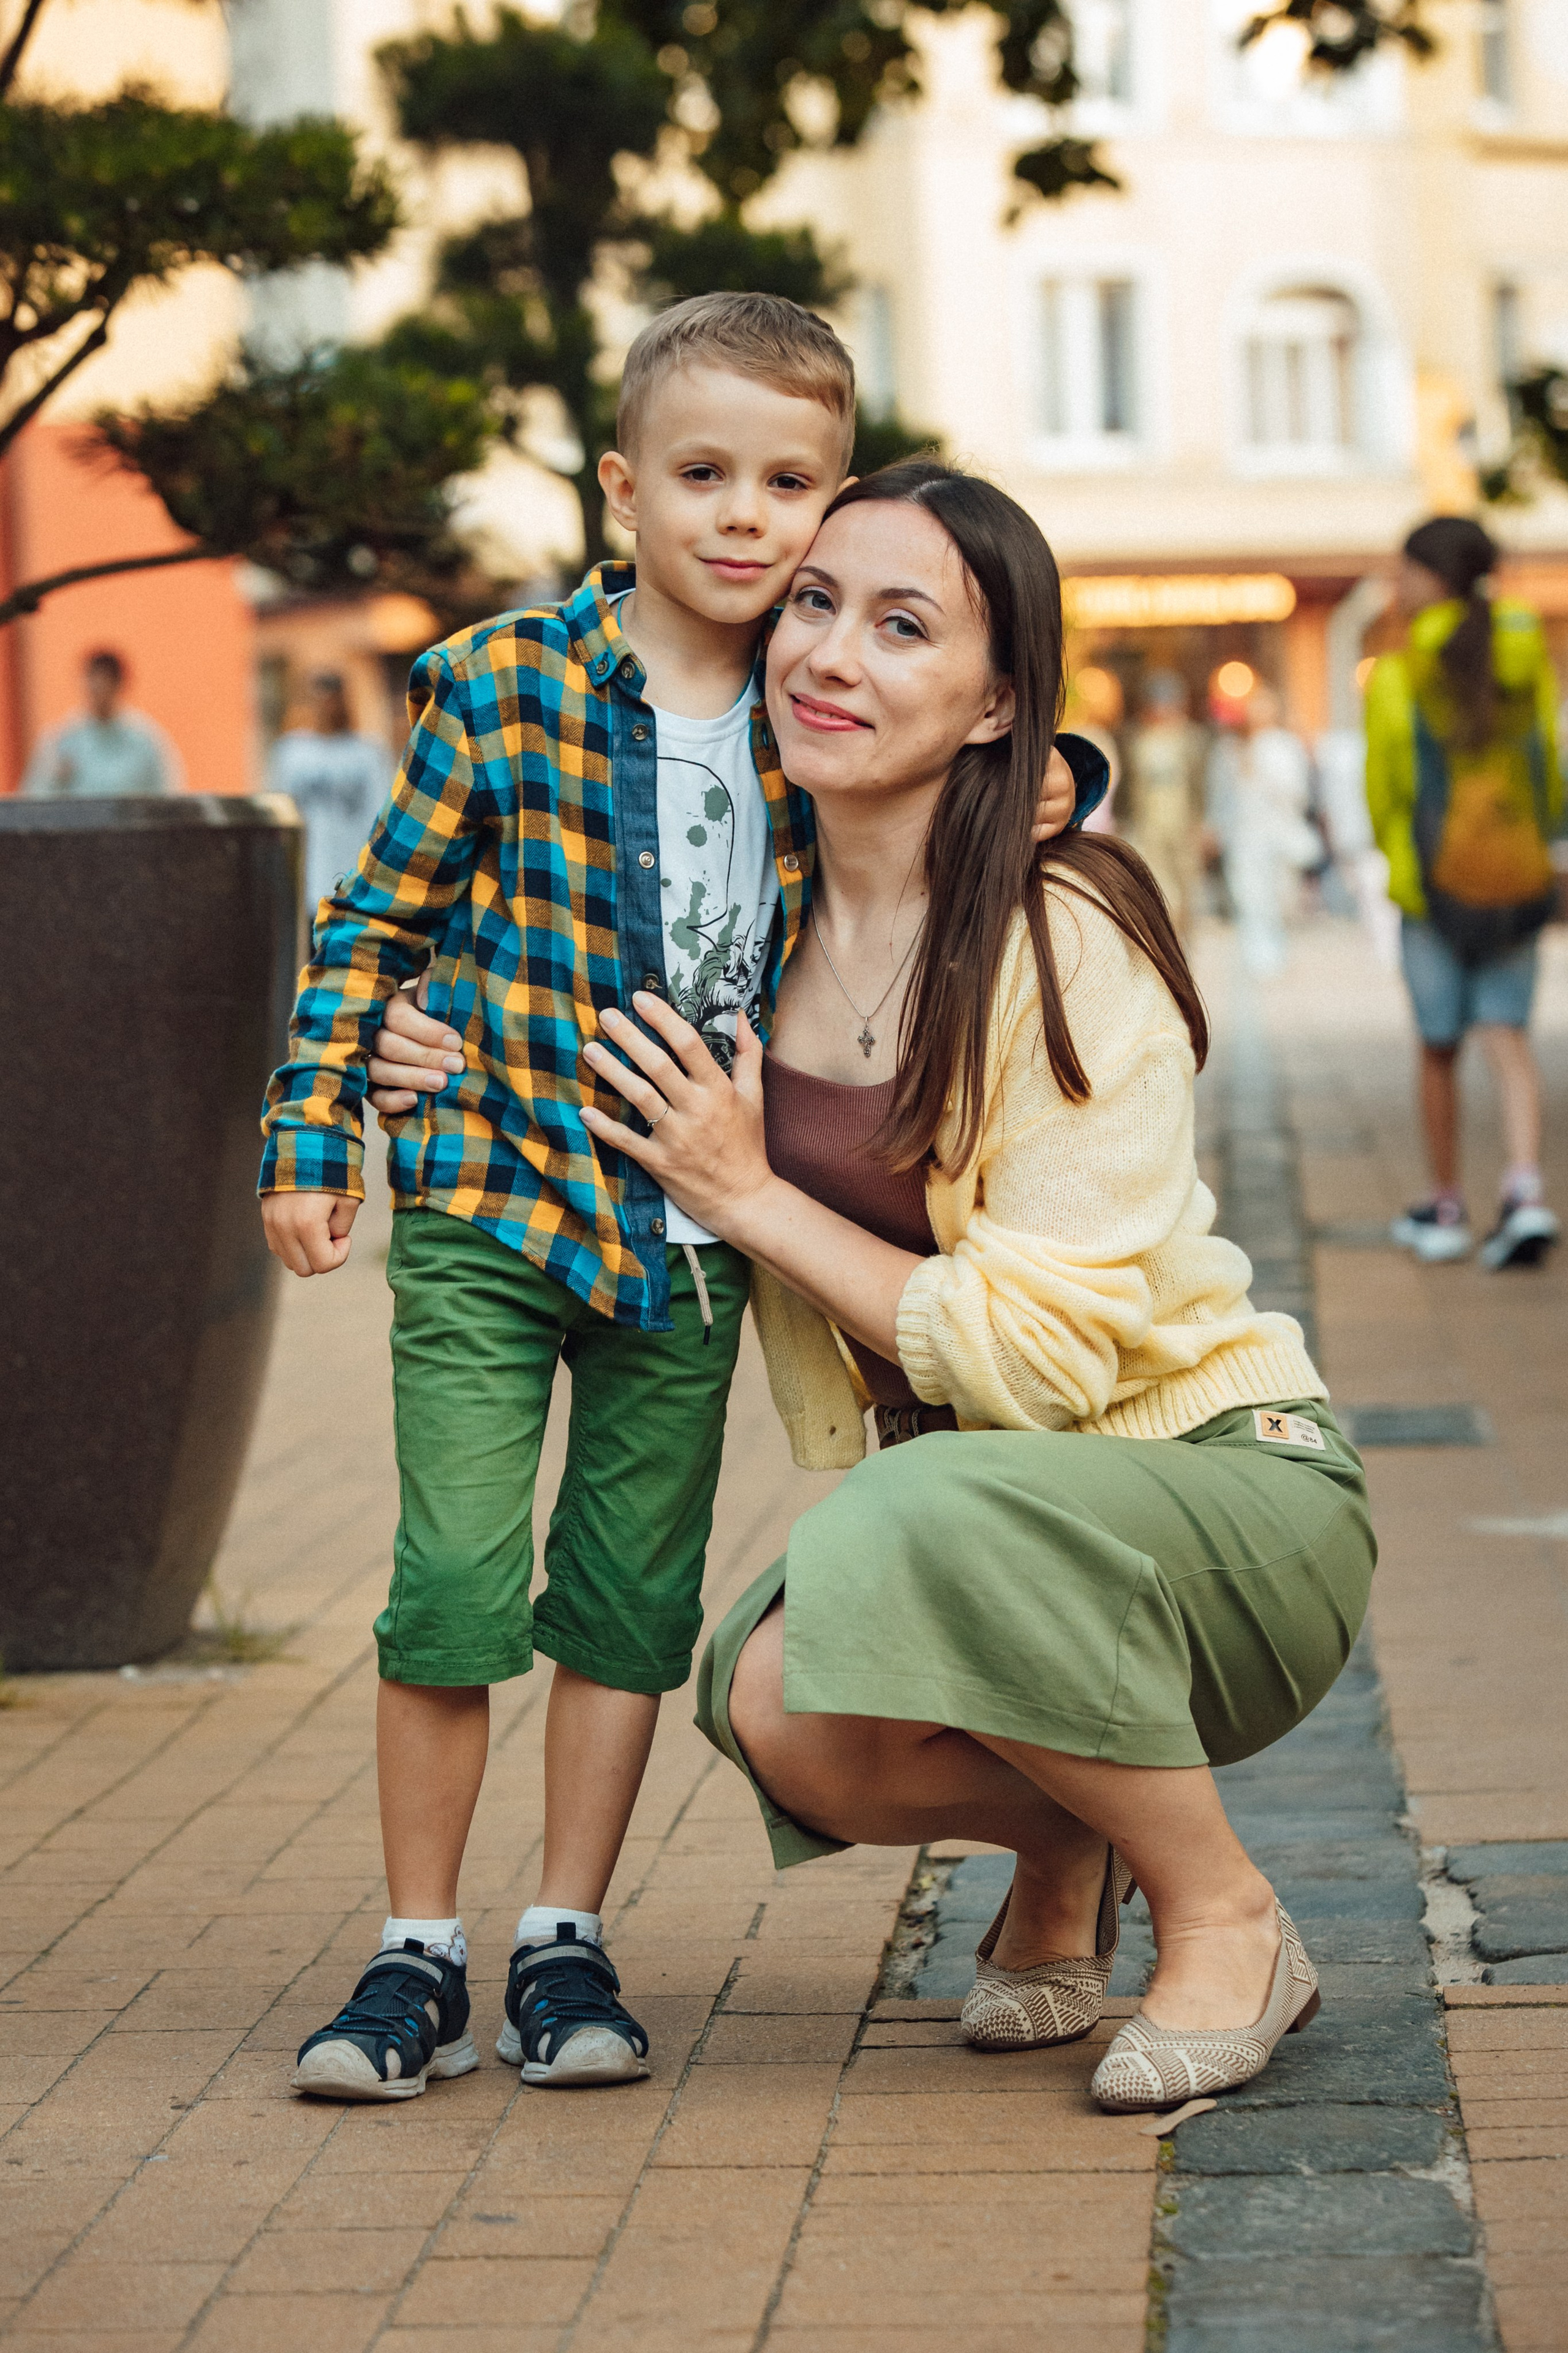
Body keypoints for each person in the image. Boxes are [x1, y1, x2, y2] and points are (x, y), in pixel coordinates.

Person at [257, 296, 1084, 2107]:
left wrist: (1059, 773)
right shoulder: (500, 683)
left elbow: (985, 758)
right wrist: (319, 1128)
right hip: (490, 1203)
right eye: (701, 473)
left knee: (627, 1598)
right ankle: (416, 1950)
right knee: (452, 1580)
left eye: (787, 484)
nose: (742, 515)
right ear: (622, 487)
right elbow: (375, 920)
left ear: (830, 504)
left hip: (694, 1245)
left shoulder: (815, 707)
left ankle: (564, 1934)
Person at [567, 460, 1376, 2115]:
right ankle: (1071, 1828)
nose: (829, 654)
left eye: (902, 625)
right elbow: (535, 974)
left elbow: (1044, 1358)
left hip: (1226, 1496)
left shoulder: (1061, 932)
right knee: (775, 1701)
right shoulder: (754, 924)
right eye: (813, 603)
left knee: (899, 1514)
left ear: (1000, 702)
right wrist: (419, 1049)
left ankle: (1224, 1912)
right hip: (983, 1528)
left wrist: (749, 1194)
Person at [1367, 516, 1562, 1271]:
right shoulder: (1526, 652)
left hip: (1432, 894)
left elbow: (1386, 791)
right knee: (1507, 1037)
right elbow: (1548, 768)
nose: (1396, 586)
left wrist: (1402, 867)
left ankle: (1445, 1206)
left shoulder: (1397, 673)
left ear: (1434, 579)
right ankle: (1523, 1191)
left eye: (1404, 572)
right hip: (1515, 876)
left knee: (1438, 1047)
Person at [1204, 683, 1317, 977]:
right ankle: (1258, 953)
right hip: (1245, 835)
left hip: (1278, 833)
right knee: (1249, 894)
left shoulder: (1285, 745)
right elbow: (1223, 794)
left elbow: (1298, 792)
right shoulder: (1234, 746)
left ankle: (1276, 949)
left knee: (1279, 895)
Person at [267, 671, 394, 918]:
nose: (326, 708)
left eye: (332, 700)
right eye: (319, 699)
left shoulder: (367, 754)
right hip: (304, 887)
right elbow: (278, 820)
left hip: (353, 888)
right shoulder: (291, 753)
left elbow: (382, 820)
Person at [22, 648, 181, 798]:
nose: (100, 690)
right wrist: (56, 779)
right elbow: (34, 797)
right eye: (95, 682)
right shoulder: (62, 741)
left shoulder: (146, 742)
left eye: (106, 682)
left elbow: (168, 794)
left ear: (120, 685)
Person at [1122, 670, 1207, 936]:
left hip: (1184, 825)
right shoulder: (1138, 740)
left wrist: (1203, 823)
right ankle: (1167, 942)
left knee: (1187, 888)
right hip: (1150, 827)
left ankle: (1184, 943)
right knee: (1160, 889)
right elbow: (1130, 786)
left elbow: (1201, 783)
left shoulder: (1191, 739)